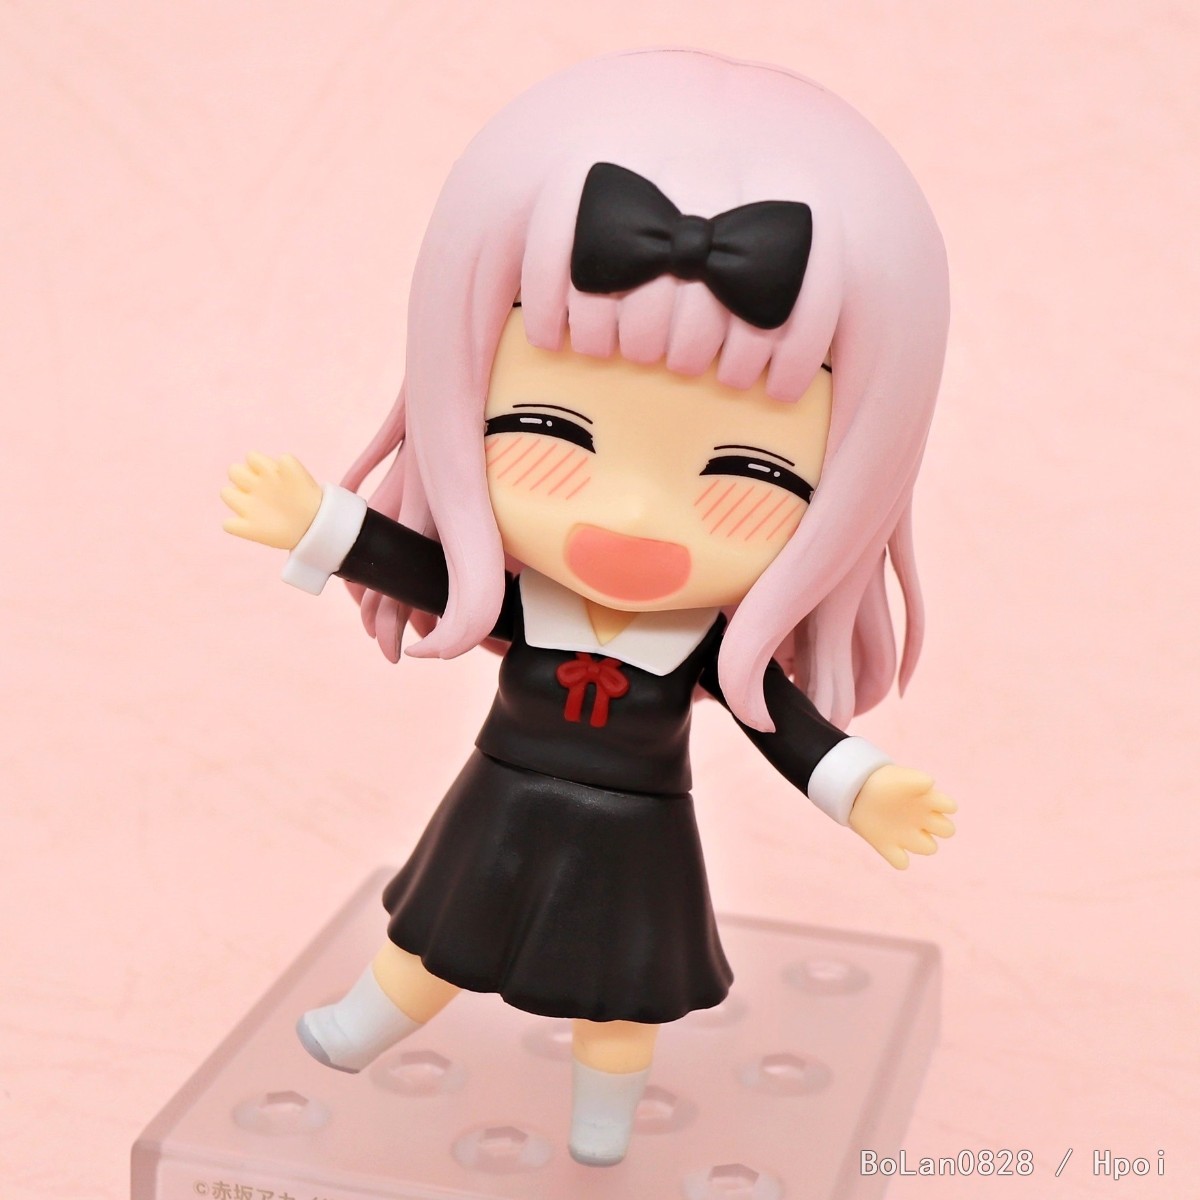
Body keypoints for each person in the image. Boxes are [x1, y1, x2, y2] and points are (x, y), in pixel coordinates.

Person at [221, 48, 956, 1167]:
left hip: (640, 839)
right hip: (500, 801)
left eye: (750, 473)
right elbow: (419, 570)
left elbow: (784, 730)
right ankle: (362, 1025)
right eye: (550, 432)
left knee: (622, 991)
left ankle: (604, 1118)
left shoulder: (708, 648)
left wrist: (861, 786)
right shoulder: (525, 604)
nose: (637, 516)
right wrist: (323, 522)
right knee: (435, 930)